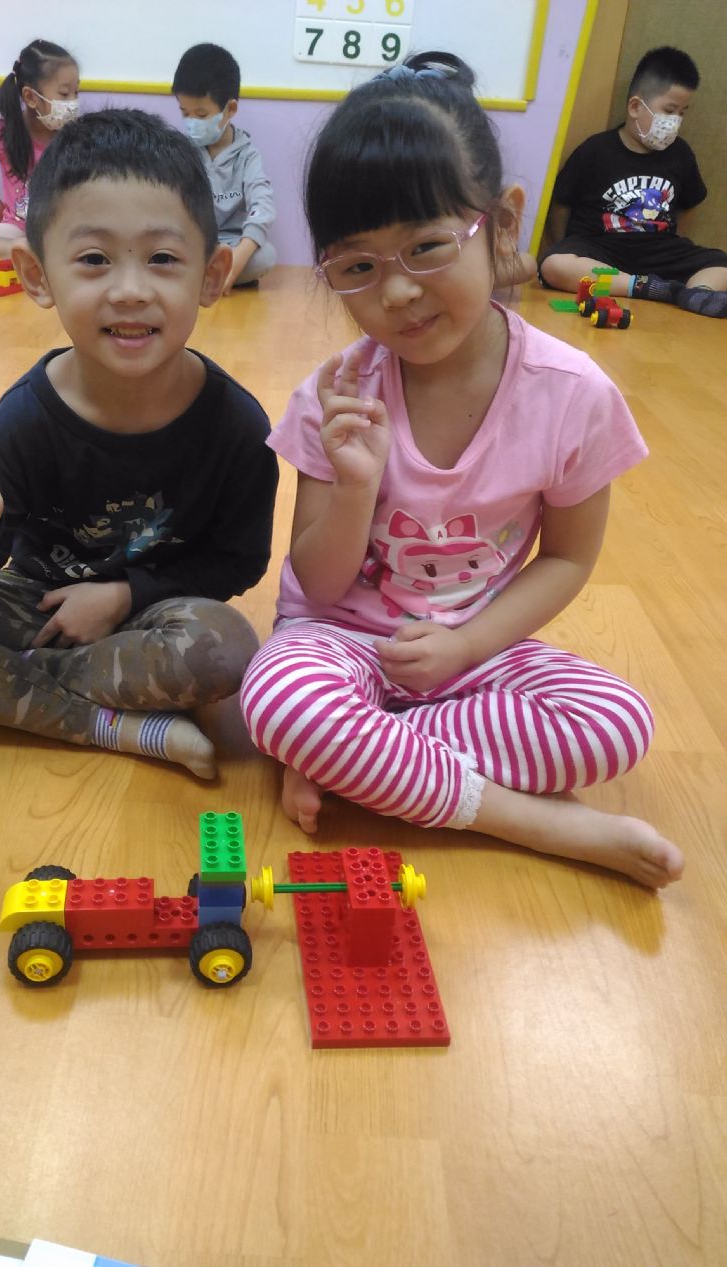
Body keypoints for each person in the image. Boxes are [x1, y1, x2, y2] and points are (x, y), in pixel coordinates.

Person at [239, 52, 684, 889]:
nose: (397, 293)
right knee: (277, 697)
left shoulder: (572, 395)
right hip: (341, 643)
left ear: (502, 225)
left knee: (617, 721)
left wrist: (465, 646)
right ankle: (525, 820)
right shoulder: (336, 398)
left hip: (473, 651)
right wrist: (357, 483)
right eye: (358, 267)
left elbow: (567, 558)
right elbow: (317, 586)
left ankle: (357, 760)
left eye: (427, 247)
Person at [0, 109, 279, 780]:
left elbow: (238, 561)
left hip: (150, 614)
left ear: (213, 275)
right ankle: (109, 725)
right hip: (36, 605)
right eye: (94, 260)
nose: (129, 291)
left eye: (163, 259)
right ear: (37, 275)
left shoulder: (237, 426)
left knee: (224, 648)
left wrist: (124, 595)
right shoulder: (21, 423)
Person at [539, 46, 727, 319]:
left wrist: (673, 241)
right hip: (602, 249)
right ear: (636, 107)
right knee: (554, 264)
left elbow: (688, 205)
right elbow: (561, 203)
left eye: (682, 113)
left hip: (659, 250)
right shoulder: (596, 150)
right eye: (669, 111)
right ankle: (648, 288)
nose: (675, 122)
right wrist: (566, 243)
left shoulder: (681, 154)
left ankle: (697, 294)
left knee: (722, 263)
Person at [0, 39, 80, 270]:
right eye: (64, 93)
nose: (73, 102)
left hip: (62, 232)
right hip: (18, 231)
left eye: (75, 92)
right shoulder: (5, 132)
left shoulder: (76, 135)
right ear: (30, 97)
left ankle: (34, 259)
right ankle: (35, 257)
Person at [173, 43, 276, 294]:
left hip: (231, 244)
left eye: (201, 115)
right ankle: (211, 275)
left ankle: (213, 275)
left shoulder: (247, 156)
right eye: (185, 113)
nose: (192, 123)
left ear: (230, 109)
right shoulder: (181, 150)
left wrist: (239, 257)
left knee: (265, 256)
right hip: (193, 243)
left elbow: (262, 206)